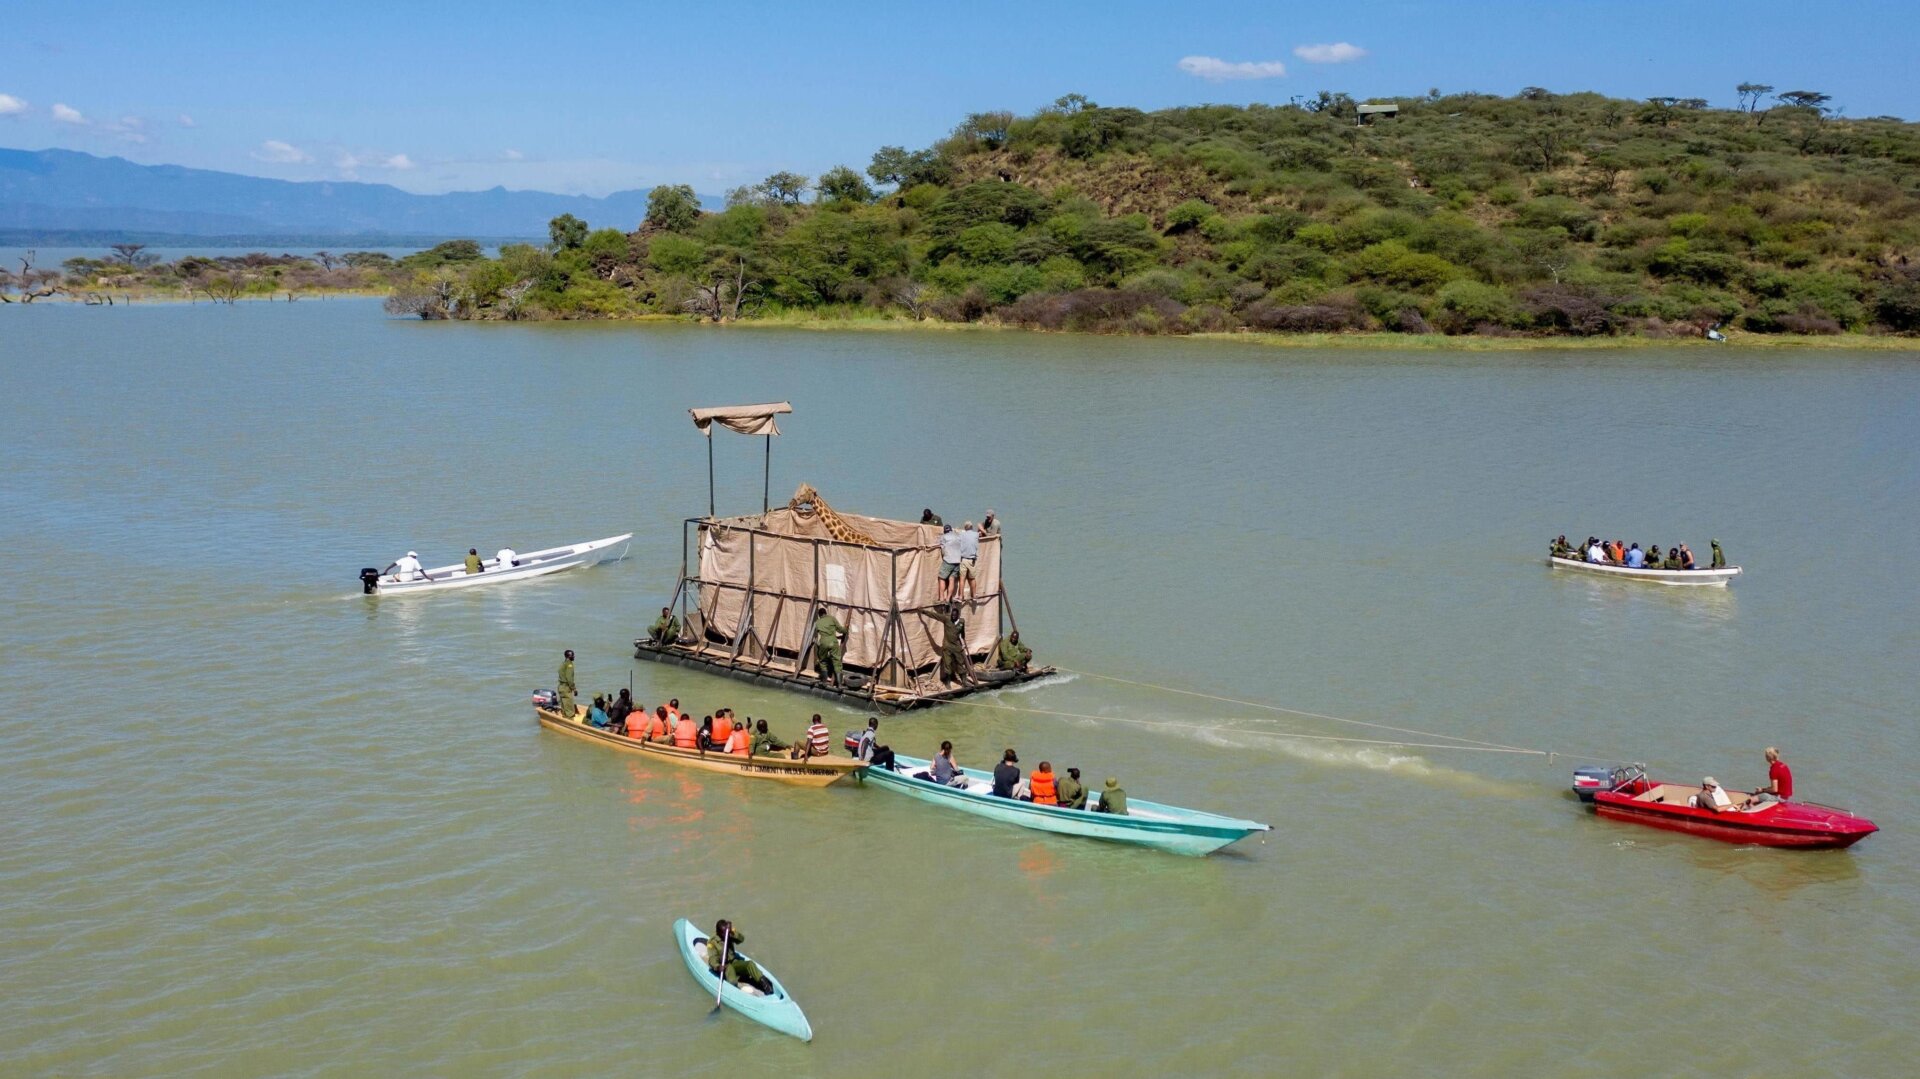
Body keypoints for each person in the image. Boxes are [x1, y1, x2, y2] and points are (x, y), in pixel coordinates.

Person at [705, 919, 772, 994]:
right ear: (718, 932)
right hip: (724, 966)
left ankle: (765, 984)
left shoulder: (729, 934)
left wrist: (732, 932)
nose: (725, 935)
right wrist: (717, 966)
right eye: (723, 933)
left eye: (726, 932)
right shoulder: (712, 942)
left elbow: (741, 939)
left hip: (734, 962)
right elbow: (712, 958)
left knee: (750, 964)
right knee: (732, 980)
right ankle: (737, 991)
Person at [939, 604, 975, 686]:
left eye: (955, 615)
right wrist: (923, 611)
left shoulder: (961, 621)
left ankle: (964, 681)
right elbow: (935, 616)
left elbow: (962, 632)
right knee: (947, 664)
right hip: (947, 645)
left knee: (960, 662)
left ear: (958, 616)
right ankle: (947, 682)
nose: (953, 617)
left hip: (956, 646)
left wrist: (963, 639)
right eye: (952, 615)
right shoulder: (947, 619)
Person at [811, 607, 846, 685]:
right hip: (833, 641)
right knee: (837, 661)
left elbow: (815, 633)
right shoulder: (832, 619)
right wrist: (845, 630)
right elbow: (840, 629)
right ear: (825, 613)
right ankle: (839, 685)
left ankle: (824, 682)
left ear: (819, 615)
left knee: (823, 661)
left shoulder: (817, 622)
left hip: (823, 642)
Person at [936, 524, 965, 603]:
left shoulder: (944, 537)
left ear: (945, 531)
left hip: (948, 561)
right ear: (951, 530)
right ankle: (948, 598)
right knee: (952, 579)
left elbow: (939, 545)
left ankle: (942, 598)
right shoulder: (958, 536)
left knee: (941, 578)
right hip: (957, 561)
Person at [957, 520, 981, 602]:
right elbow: (981, 533)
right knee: (972, 578)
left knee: (962, 579)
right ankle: (974, 595)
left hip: (963, 559)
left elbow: (957, 539)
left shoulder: (961, 535)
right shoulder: (976, 534)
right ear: (972, 527)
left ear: (965, 528)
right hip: (972, 560)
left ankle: (960, 596)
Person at [555, 649, 578, 719]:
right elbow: (569, 678)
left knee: (564, 707)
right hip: (565, 688)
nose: (574, 656)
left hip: (560, 687)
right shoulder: (569, 664)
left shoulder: (563, 664)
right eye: (573, 655)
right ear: (569, 656)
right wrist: (574, 689)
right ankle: (570, 722)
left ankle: (565, 719)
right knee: (569, 709)